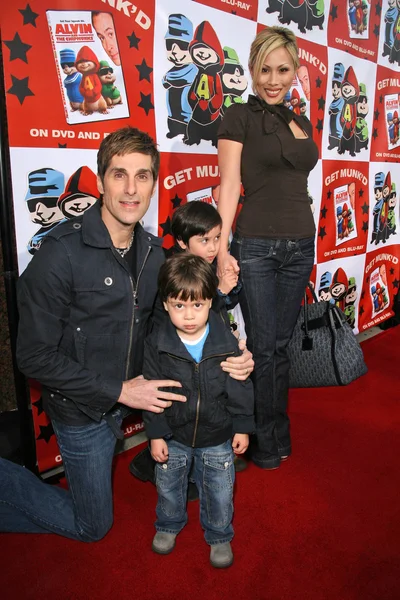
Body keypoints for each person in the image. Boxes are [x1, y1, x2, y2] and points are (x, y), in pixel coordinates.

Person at [0, 127, 253, 542]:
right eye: (119, 175)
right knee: (93, 527)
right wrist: (119, 391)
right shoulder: (59, 253)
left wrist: (233, 354)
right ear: (100, 182)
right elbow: (32, 356)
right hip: (81, 410)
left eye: (143, 175)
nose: (131, 189)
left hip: (131, 405)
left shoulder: (155, 253)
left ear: (154, 183)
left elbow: (173, 324)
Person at [216, 27, 318, 470]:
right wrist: (222, 249)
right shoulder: (238, 116)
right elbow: (228, 185)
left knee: (280, 345)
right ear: (253, 70)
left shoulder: (301, 121)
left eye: (283, 69)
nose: (273, 79)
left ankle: (272, 438)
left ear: (296, 72)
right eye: (265, 70)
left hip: (301, 244)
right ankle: (255, 436)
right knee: (260, 344)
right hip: (255, 243)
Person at [143, 254, 254, 568]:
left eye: (197, 305)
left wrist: (242, 425)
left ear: (210, 302)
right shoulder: (157, 343)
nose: (189, 315)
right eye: (179, 306)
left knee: (220, 491)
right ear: (166, 304)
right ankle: (168, 524)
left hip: (217, 435)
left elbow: (240, 386)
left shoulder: (226, 342)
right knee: (168, 486)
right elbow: (153, 391)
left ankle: (219, 535)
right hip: (173, 434)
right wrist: (155, 434)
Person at [129, 202, 249, 486]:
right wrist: (220, 291)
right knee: (177, 413)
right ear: (183, 242)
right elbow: (186, 316)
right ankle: (154, 463)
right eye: (204, 240)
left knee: (205, 404)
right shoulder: (173, 269)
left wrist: (225, 292)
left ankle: (209, 459)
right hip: (170, 357)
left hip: (197, 353)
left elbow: (210, 311)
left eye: (218, 238)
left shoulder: (205, 264)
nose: (212, 247)